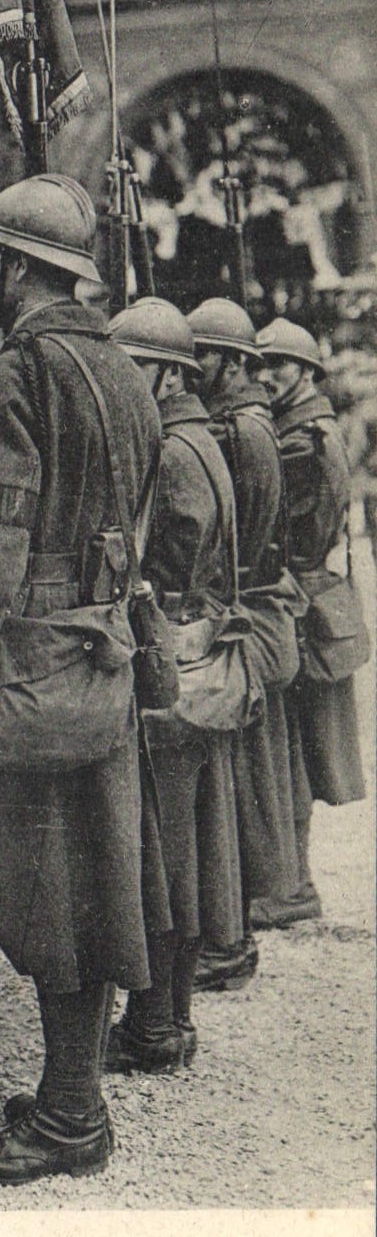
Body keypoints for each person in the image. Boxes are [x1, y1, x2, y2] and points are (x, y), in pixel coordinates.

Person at [0, 175, 161, 1184]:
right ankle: (71, 1099)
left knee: (43, 887)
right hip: (100, 655)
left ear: (20, 270)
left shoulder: (15, 374)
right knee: (93, 880)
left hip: (27, 670)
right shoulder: (124, 369)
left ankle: (67, 1118)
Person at [106, 298, 244, 1071]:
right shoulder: (200, 436)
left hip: (171, 659)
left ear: (164, 375)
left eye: (130, 367)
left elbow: (166, 563)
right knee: (184, 847)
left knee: (160, 853)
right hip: (198, 658)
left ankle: (154, 1025)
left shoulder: (170, 449)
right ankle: (170, 1018)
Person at [187, 298, 299, 991]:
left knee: (229, 795)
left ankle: (227, 943)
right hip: (249, 614)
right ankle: (231, 936)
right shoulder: (246, 422)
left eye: (199, 354)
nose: (189, 366)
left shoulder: (241, 431)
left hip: (244, 619)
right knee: (236, 793)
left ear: (229, 362)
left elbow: (243, 546)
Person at [251, 318, 367, 926]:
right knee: (294, 751)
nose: (266, 376)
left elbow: (295, 538)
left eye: (279, 366)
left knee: (290, 751)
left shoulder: (304, 441)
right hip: (314, 605)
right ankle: (290, 882)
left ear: (307, 373)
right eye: (261, 366)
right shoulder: (306, 428)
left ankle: (290, 887)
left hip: (304, 610)